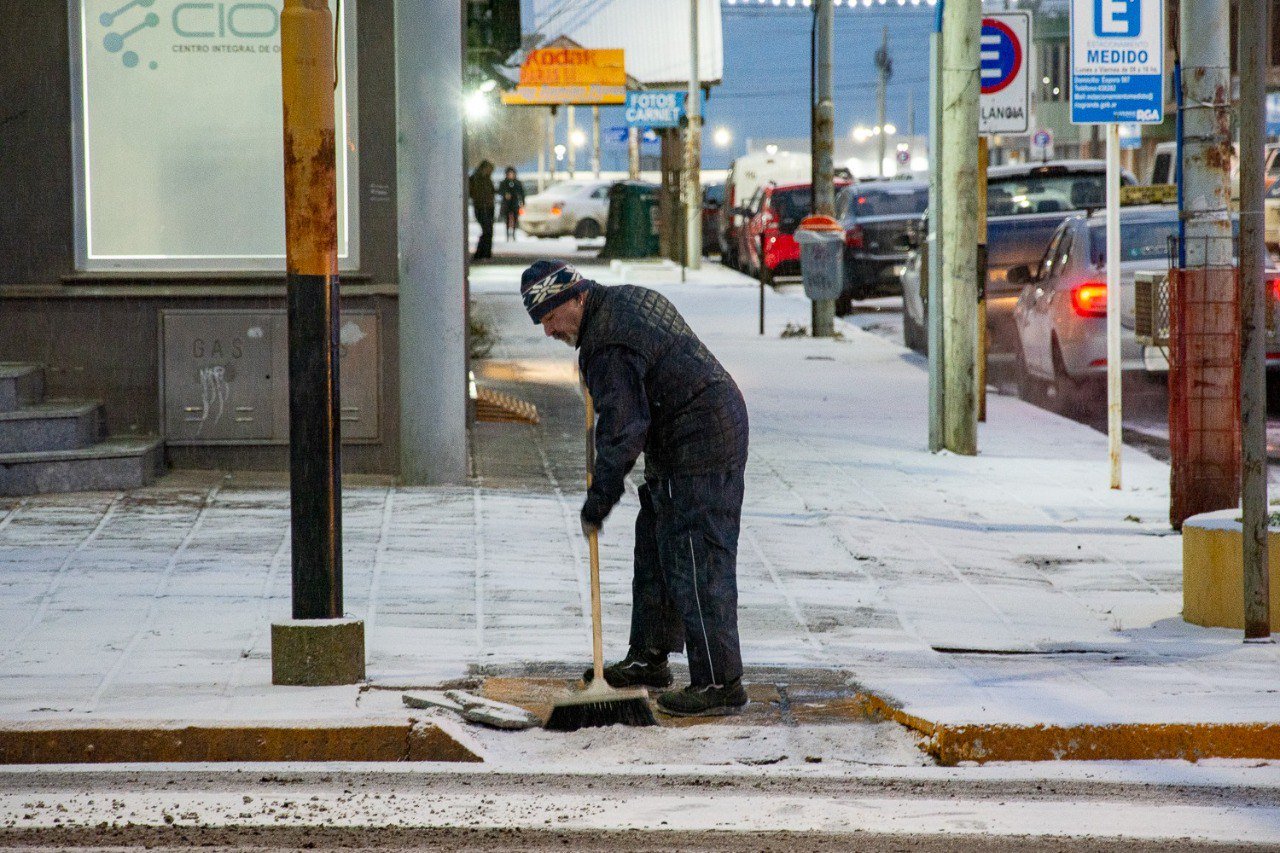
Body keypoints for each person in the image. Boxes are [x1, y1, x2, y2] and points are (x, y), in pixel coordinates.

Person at [519, 259, 750, 717]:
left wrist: (599, 499)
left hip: (702, 439)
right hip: (686, 431)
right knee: (656, 546)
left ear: (576, 297)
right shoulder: (621, 301)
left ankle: (720, 683)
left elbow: (624, 428)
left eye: (549, 318)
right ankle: (649, 657)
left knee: (694, 554)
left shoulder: (607, 342)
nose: (547, 332)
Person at [468, 160, 496, 261]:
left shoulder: (484, 179)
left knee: (487, 230)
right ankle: (482, 253)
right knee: (487, 230)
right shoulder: (478, 179)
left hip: (486, 207)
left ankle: (484, 253)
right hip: (482, 207)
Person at [498, 166, 525, 241]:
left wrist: (522, 202)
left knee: (515, 219)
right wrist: (505, 194)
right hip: (506, 204)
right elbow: (500, 191)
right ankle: (507, 234)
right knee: (507, 219)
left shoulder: (517, 183)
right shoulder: (504, 183)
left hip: (514, 203)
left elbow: (522, 193)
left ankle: (513, 234)